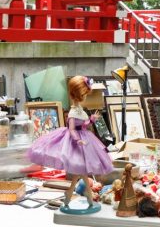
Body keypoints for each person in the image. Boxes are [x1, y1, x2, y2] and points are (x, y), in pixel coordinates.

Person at [28, 76, 112, 213]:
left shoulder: (80, 109)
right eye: (84, 94)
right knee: (81, 171)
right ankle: (79, 198)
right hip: (76, 142)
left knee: (80, 173)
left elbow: (83, 124)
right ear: (78, 95)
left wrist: (91, 120)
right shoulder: (73, 112)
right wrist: (77, 140)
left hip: (84, 138)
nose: (86, 97)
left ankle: (73, 196)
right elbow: (72, 128)